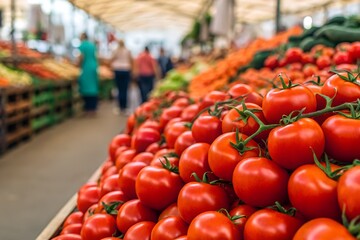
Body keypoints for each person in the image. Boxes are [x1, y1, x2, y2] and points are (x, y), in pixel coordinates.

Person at [110, 39, 133, 115]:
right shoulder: (127, 51)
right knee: (125, 89)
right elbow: (131, 60)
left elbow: (111, 59)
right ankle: (125, 107)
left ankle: (120, 107)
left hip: (117, 70)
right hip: (126, 70)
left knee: (119, 89)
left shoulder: (115, 51)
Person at [78, 33, 99, 116]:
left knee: (86, 88)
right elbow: (96, 56)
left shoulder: (83, 45)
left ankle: (88, 109)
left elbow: (81, 57)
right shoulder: (92, 45)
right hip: (93, 67)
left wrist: (78, 64)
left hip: (86, 68)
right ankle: (93, 108)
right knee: (93, 88)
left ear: (83, 37)